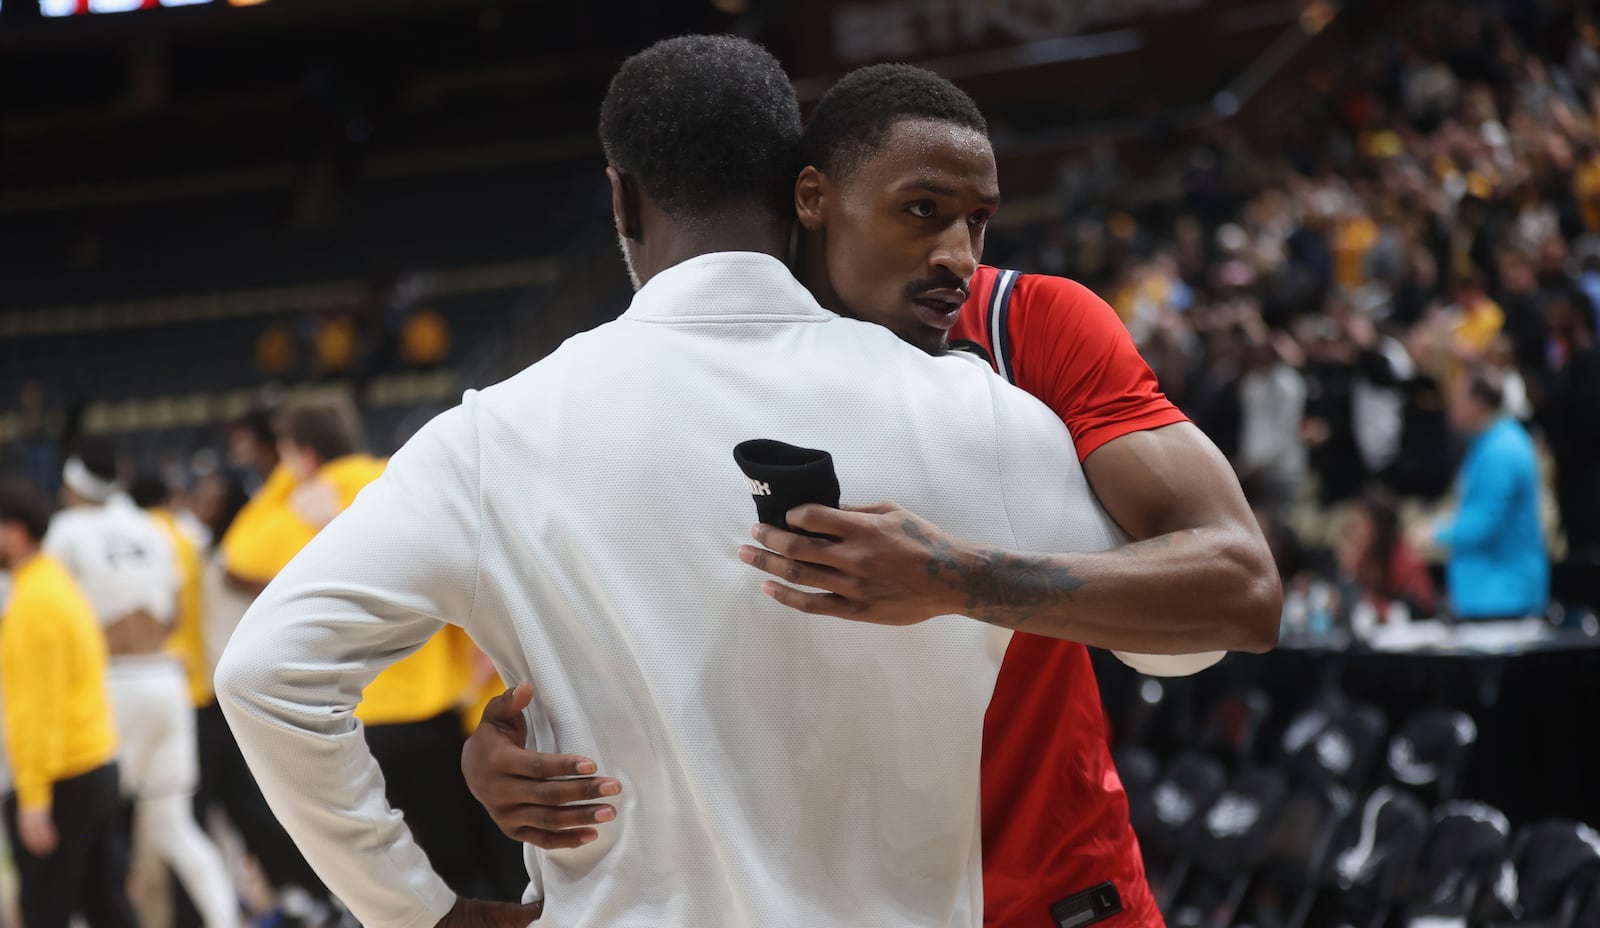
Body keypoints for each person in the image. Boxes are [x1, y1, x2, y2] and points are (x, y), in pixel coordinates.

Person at [215, 36, 1215, 928]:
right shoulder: (980, 410)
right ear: (801, 192)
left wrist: (418, 912)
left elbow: (267, 676)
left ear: (621, 197)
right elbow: (1190, 642)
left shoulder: (492, 435)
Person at [463, 62, 1275, 927]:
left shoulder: (1031, 326)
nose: (958, 256)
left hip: (1053, 892)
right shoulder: (665, 378)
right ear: (814, 198)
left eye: (979, 221)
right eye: (922, 211)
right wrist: (521, 751)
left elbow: (1242, 590)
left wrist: (953, 579)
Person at [45, 441, 241, 928]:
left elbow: (49, 612)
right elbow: (173, 614)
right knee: (174, 828)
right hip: (165, 681)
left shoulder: (67, 530)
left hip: (111, 685)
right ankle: (228, 921)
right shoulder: (152, 528)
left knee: (90, 825)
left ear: (71, 485)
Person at [0, 478, 138, 928]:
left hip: (62, 778)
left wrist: (34, 798)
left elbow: (38, 710)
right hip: (94, 764)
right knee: (107, 905)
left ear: (16, 532)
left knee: (46, 911)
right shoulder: (55, 582)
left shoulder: (33, 603)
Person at [1429, 368, 1549, 620]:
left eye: (1459, 397)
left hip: (1503, 598)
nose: (1451, 405)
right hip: (1486, 595)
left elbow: (1485, 522)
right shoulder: (1488, 443)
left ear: (1479, 403)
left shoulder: (1502, 449)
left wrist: (1435, 533)